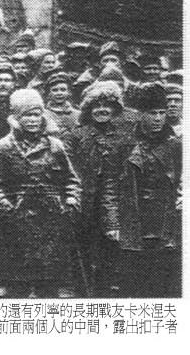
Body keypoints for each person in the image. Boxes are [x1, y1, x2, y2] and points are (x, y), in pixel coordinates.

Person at [0, 89, 81, 298]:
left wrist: (71, 201)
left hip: (51, 224)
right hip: (16, 226)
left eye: (36, 114)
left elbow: (71, 180)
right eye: (27, 115)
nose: (32, 120)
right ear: (16, 118)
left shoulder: (55, 146)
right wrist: (9, 211)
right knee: (17, 286)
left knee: (49, 286)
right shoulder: (2, 147)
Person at [64, 81, 136, 297]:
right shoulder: (76, 135)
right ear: (89, 109)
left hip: (114, 203)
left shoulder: (125, 137)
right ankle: (83, 294)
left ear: (114, 109)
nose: (102, 110)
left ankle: (105, 294)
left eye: (107, 106)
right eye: (97, 106)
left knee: (110, 252)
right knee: (82, 253)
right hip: (84, 204)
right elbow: (65, 167)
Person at [118, 83, 181, 298]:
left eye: (162, 113)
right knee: (135, 281)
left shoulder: (176, 145)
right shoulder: (126, 144)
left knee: (166, 281)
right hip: (134, 217)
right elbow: (111, 185)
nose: (158, 118)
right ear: (141, 115)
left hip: (166, 219)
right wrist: (112, 223)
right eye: (153, 113)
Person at [44, 71, 80, 136]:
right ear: (49, 93)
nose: (59, 93)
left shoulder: (77, 115)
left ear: (69, 92)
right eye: (55, 90)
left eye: (63, 90)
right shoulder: (44, 114)